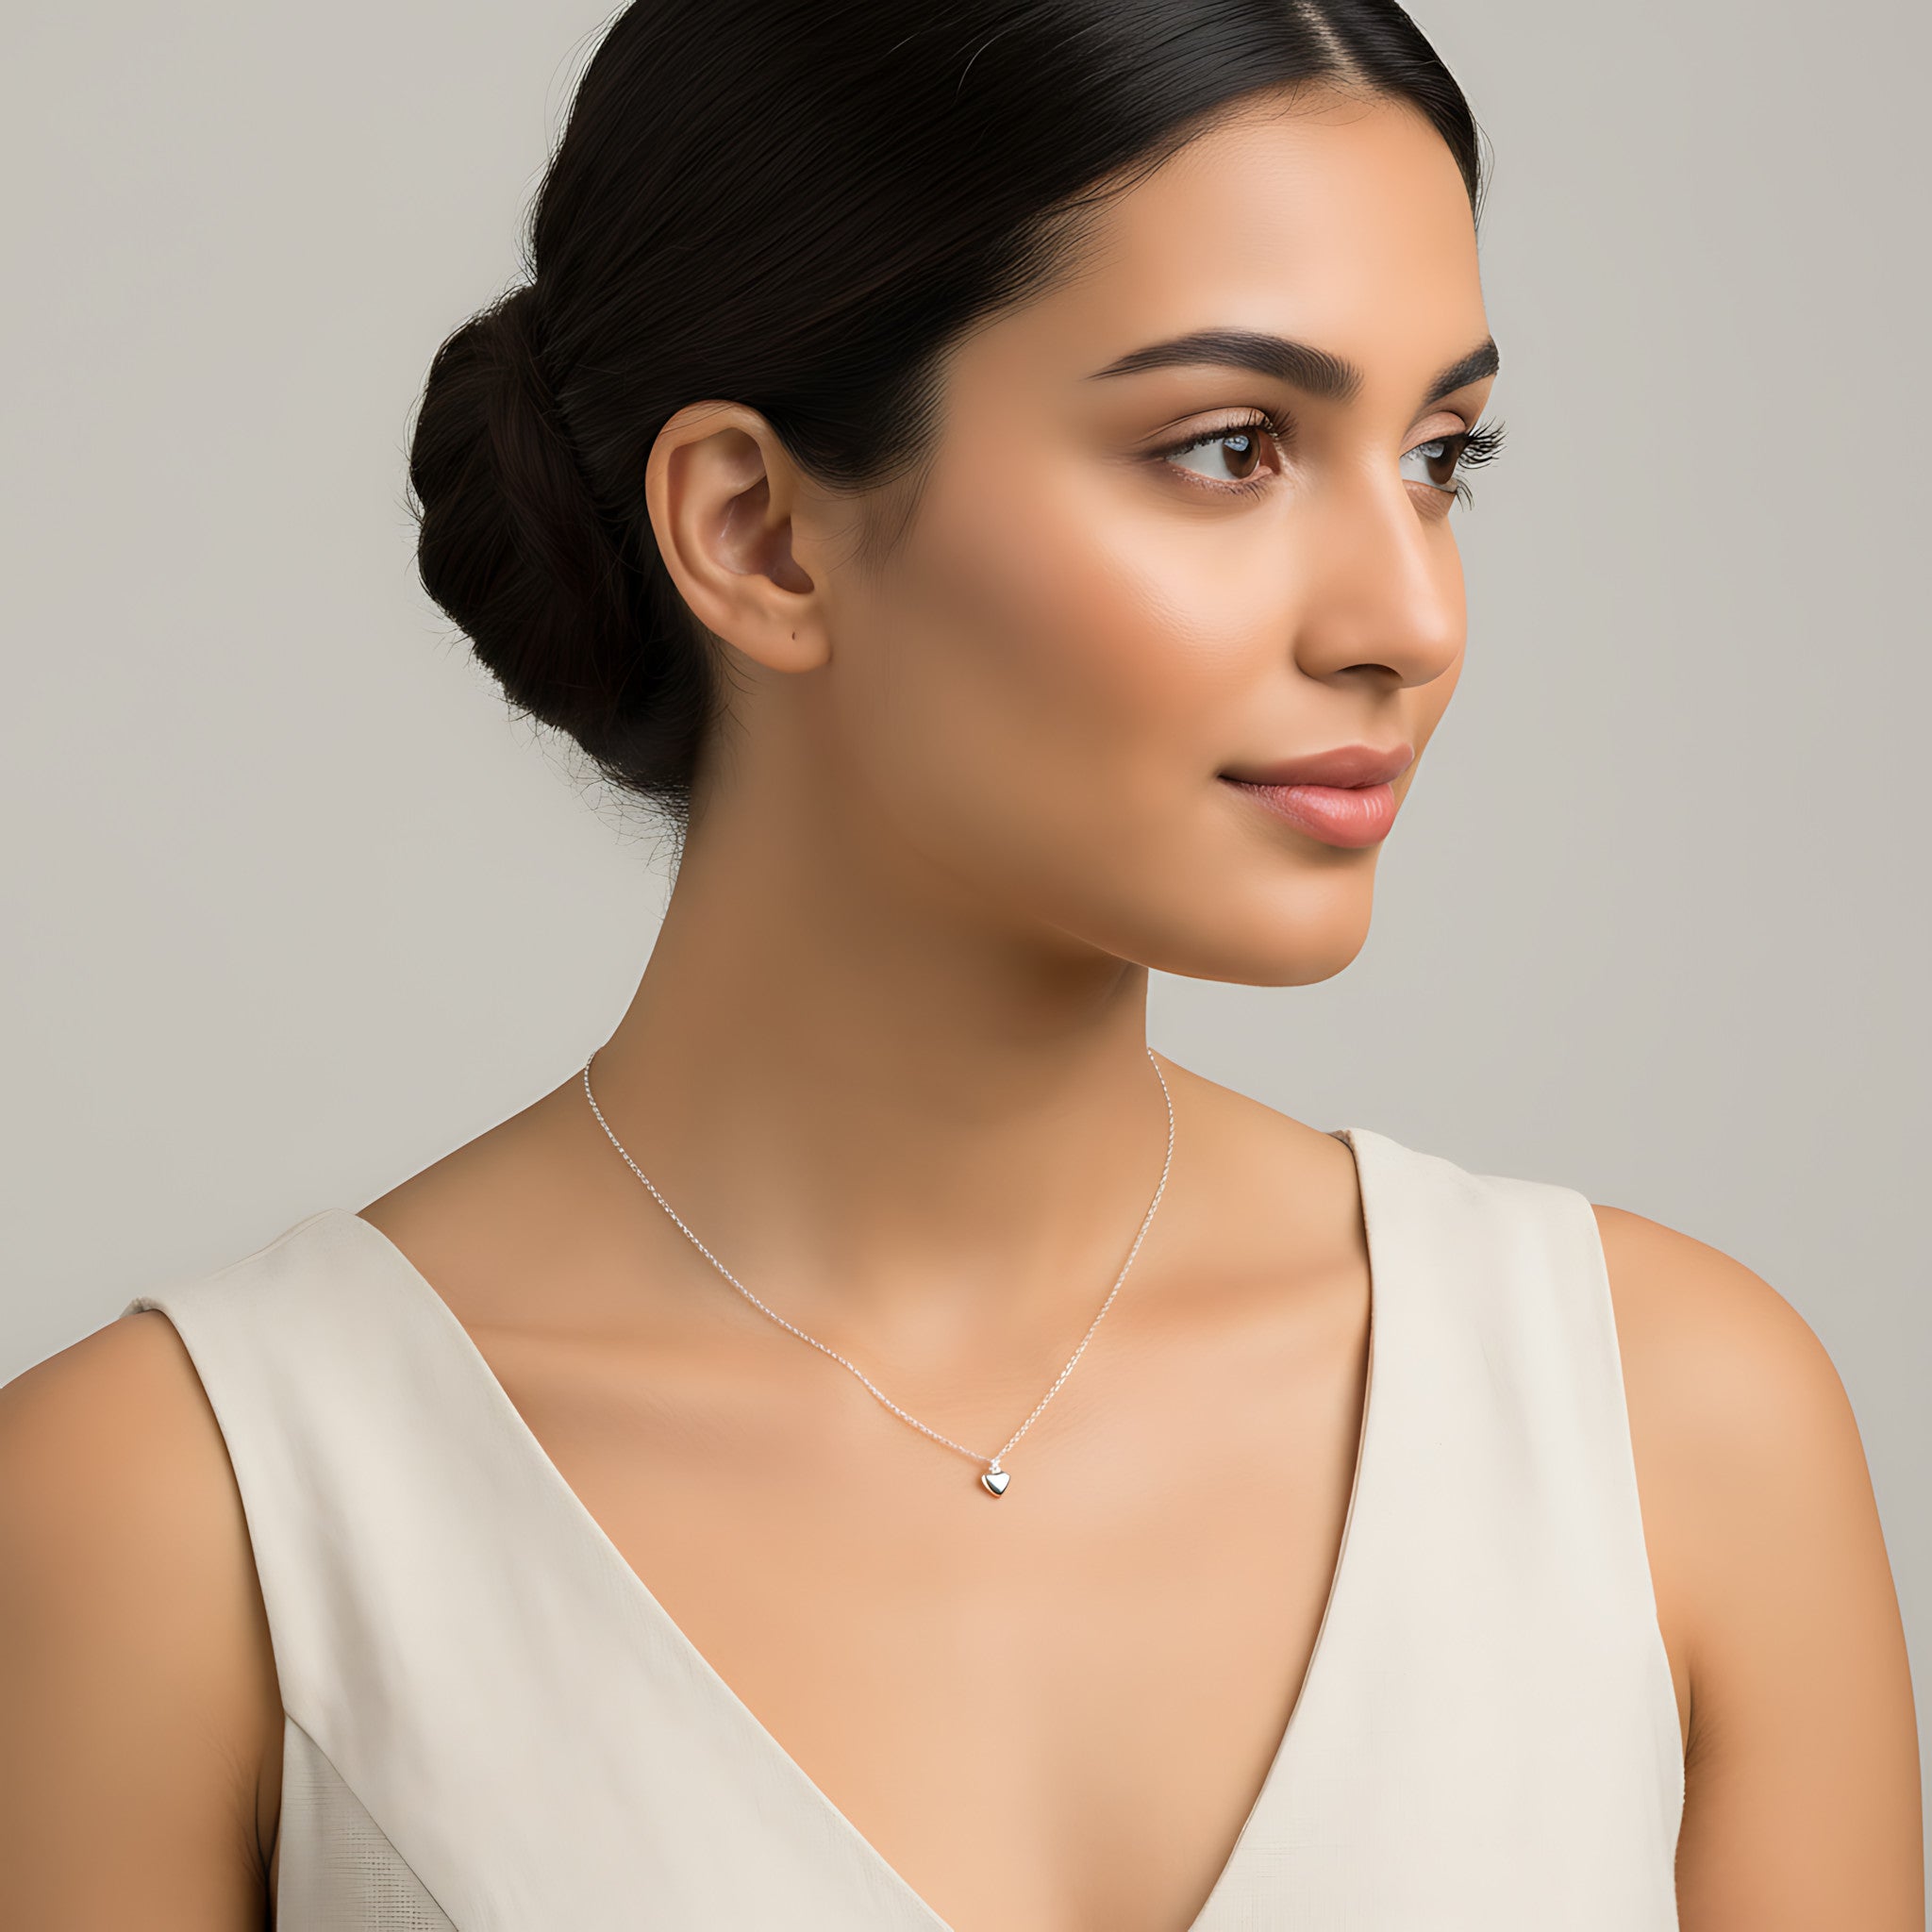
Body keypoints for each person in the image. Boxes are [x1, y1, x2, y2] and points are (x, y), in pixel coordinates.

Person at [0, 1, 1921, 1925]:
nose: (1410, 615)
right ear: (755, 532)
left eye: (1440, 457)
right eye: (1231, 446)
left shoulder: (1670, 1433)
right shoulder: (171, 1524)